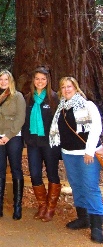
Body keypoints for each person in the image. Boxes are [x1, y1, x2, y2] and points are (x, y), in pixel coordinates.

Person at [49, 77, 103, 243]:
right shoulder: (61, 108)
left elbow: (96, 127)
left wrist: (89, 151)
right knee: (76, 185)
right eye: (63, 87)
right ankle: (83, 218)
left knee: (90, 186)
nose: (66, 90)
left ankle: (97, 226)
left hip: (87, 153)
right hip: (69, 153)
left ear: (76, 87)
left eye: (69, 86)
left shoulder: (87, 105)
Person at [22, 66, 61, 222]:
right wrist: (26, 137)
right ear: (33, 80)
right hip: (33, 143)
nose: (40, 81)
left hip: (50, 144)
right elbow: (23, 121)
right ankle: (42, 205)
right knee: (35, 174)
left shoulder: (54, 98)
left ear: (48, 80)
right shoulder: (27, 98)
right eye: (37, 78)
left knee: (52, 174)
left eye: (43, 79)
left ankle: (50, 208)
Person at [0, 70, 26, 220]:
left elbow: (20, 118)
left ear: (11, 81)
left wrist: (8, 135)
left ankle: (17, 207)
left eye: (6, 79)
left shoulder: (18, 97)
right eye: (1, 80)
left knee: (16, 168)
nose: (3, 82)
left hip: (13, 137)